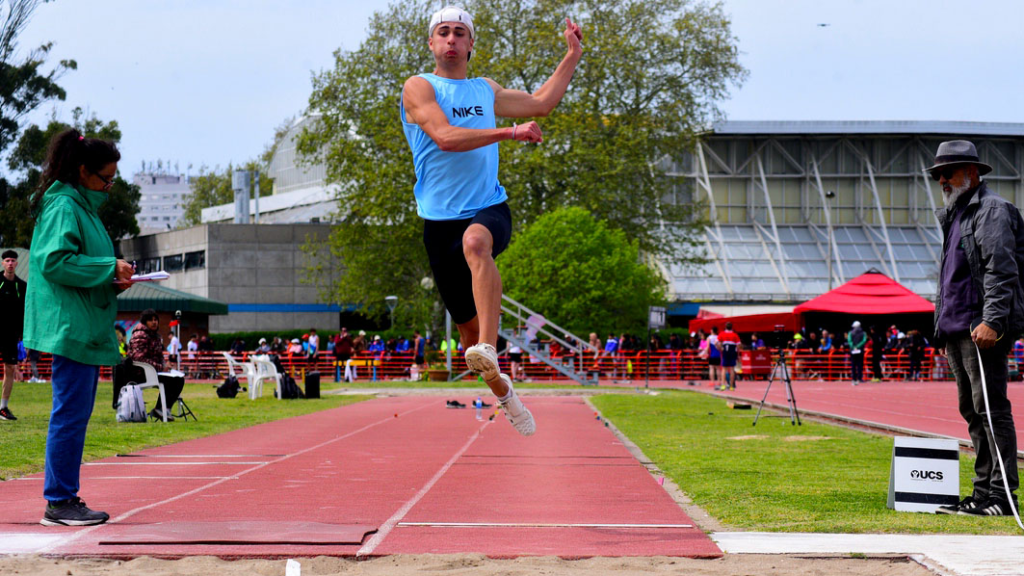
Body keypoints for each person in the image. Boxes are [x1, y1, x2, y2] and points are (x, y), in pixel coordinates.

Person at [401, 6, 582, 436]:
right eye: (442, 32)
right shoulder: (418, 87)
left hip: (487, 208)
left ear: (470, 44)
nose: (450, 39)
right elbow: (444, 138)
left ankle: (489, 343)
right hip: (438, 223)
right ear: (431, 42)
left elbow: (541, 102)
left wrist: (572, 55)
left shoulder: (485, 90)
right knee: (467, 342)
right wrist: (510, 132)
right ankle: (504, 391)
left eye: (459, 33)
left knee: (476, 244)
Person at [23, 129, 132, 526]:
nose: (109, 186)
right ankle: (59, 501)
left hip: (82, 323)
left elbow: (76, 262)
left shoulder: (82, 207)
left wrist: (114, 275)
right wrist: (108, 268)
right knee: (69, 413)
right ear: (83, 171)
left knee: (75, 412)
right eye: (106, 178)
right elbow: (54, 261)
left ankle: (64, 497)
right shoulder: (64, 206)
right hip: (69, 326)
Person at [929, 140, 1020, 516]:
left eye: (948, 172)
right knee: (973, 411)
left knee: (990, 410)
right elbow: (949, 280)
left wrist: (993, 321)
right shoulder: (957, 214)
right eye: (938, 175)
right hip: (957, 330)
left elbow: (1002, 269)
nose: (942, 180)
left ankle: (1001, 496)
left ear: (971, 172)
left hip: (980, 329)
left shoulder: (992, 210)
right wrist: (941, 329)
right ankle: (982, 494)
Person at [126, 309, 183, 421]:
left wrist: (166, 365)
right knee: (169, 380)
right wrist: (161, 367)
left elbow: (159, 356)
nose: (154, 322)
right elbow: (139, 358)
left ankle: (162, 409)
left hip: (153, 371)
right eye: (151, 320)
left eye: (155, 320)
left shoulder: (156, 336)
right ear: (144, 322)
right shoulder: (140, 335)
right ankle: (161, 409)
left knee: (179, 379)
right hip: (140, 373)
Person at [0, 249, 27, 420]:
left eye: (13, 261)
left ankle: (3, 407)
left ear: (17, 263)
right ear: (3, 263)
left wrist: (23, 336)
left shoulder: (21, 286)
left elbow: (26, 312)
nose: (10, 263)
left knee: (10, 369)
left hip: (11, 335)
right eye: (7, 260)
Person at [717, 322, 740, 390]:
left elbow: (716, 342)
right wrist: (737, 354)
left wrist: (720, 348)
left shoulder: (722, 334)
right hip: (732, 352)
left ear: (725, 327)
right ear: (732, 327)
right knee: (732, 369)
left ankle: (723, 385)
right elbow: (738, 345)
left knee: (724, 369)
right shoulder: (735, 335)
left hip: (725, 352)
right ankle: (731, 386)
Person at [847, 321, 867, 386]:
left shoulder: (850, 333)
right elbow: (864, 340)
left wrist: (853, 346)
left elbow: (849, 341)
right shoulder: (863, 333)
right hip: (859, 350)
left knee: (854, 364)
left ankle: (854, 378)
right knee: (859, 365)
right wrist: (857, 347)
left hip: (853, 350)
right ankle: (859, 378)